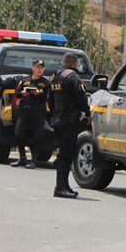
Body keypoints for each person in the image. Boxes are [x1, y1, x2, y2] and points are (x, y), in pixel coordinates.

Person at [50, 52, 91, 199]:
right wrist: (87, 112)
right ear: (75, 64)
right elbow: (81, 98)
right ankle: (60, 187)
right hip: (69, 120)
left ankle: (64, 185)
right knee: (66, 154)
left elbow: (50, 101)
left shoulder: (55, 77)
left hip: (58, 120)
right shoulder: (72, 77)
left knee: (64, 153)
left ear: (63, 62)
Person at [10, 59, 51, 168]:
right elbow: (17, 93)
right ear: (33, 68)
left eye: (42, 68)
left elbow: (48, 97)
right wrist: (23, 93)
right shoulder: (25, 80)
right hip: (25, 111)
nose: (40, 70)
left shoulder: (46, 82)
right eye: (38, 67)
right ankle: (22, 158)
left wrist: (39, 94)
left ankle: (33, 160)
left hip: (38, 112)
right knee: (19, 133)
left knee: (37, 136)